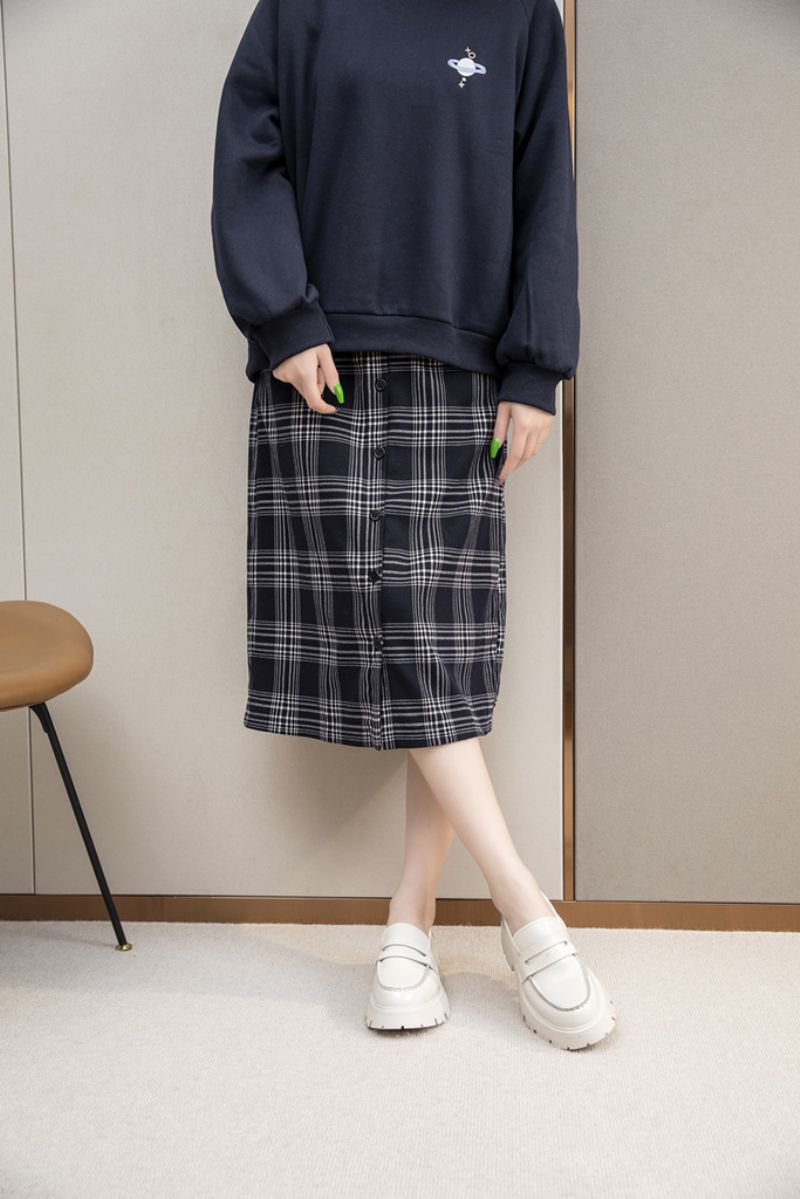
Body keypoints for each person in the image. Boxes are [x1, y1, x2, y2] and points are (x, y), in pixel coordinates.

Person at [211, 0, 616, 1049]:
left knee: (438, 639)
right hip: (322, 362)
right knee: (407, 633)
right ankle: (521, 906)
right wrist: (282, 315)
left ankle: (411, 918)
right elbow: (247, 155)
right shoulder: (299, 7)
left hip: (467, 371)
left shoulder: (520, 15)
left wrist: (538, 366)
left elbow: (545, 187)